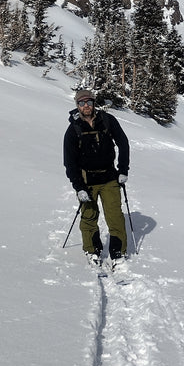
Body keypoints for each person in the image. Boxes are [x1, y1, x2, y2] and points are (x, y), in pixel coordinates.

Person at [63, 89, 130, 266]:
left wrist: (123, 169)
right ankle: (92, 250)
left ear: (94, 103)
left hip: (109, 178)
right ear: (77, 106)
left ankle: (118, 252)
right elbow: (69, 163)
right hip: (87, 181)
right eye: (82, 103)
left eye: (89, 102)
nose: (86, 106)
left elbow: (123, 143)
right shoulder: (73, 129)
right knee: (89, 217)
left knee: (115, 215)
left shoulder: (107, 120)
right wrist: (79, 187)